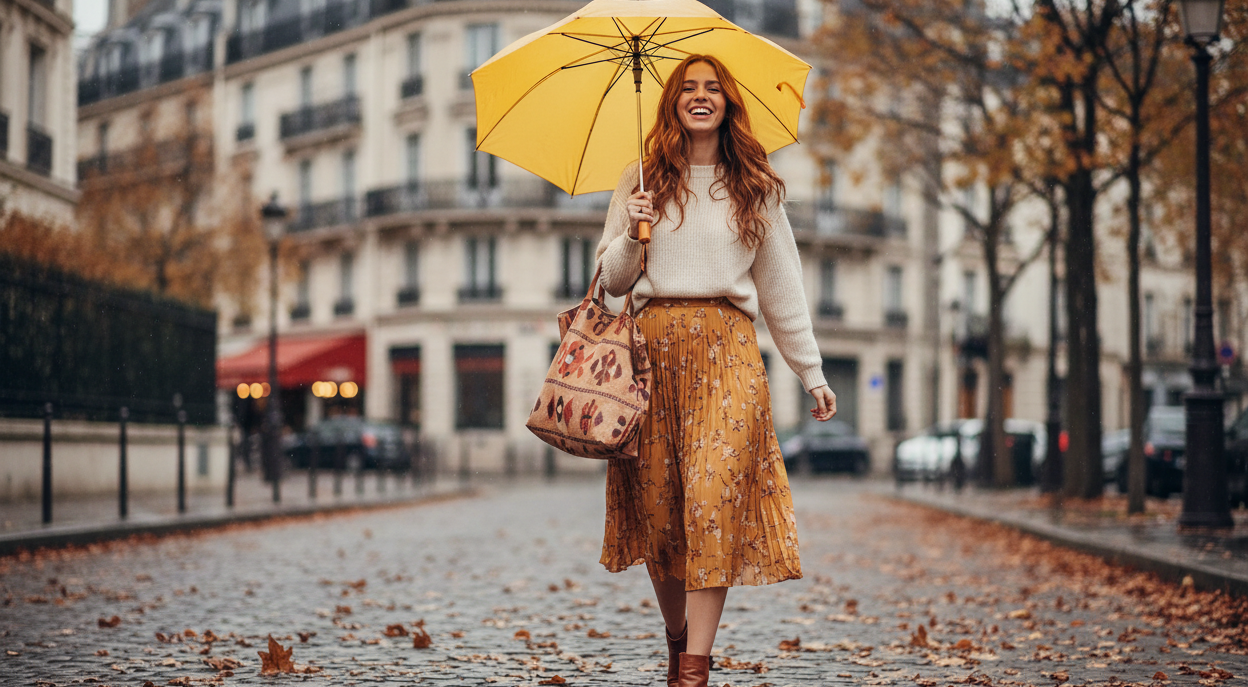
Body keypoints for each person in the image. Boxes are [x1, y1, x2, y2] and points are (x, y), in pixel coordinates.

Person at [595, 55, 838, 687]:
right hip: (649, 352)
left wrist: (811, 372)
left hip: (727, 349)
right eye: (688, 89)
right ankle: (677, 638)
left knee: (713, 500)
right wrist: (634, 232)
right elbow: (611, 284)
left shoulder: (756, 186)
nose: (701, 97)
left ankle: (693, 669)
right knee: (659, 512)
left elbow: (783, 289)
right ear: (671, 102)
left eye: (713, 89)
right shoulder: (639, 180)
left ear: (729, 103)